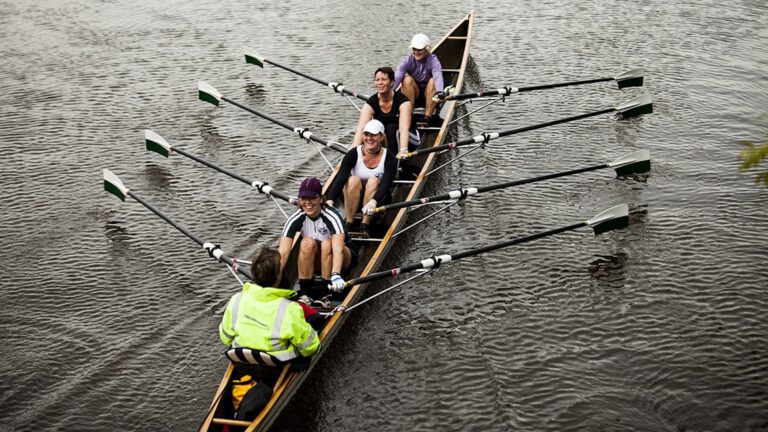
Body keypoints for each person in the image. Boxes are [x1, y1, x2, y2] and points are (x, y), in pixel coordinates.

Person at [219, 246, 320, 420]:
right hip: (275, 368)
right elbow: (310, 348)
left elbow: (225, 337)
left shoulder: (236, 299)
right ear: (278, 277)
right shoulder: (290, 309)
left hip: (243, 363)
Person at [279, 177, 357, 302]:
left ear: (320, 199)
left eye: (312, 198)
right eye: (304, 198)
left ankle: (329, 293)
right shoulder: (296, 218)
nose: (308, 202)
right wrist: (273, 281)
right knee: (305, 243)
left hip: (344, 259)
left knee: (327, 244)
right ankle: (305, 294)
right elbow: (283, 253)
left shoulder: (332, 216)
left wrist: (336, 274)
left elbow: (338, 250)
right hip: (319, 259)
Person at [326, 119, 397, 237]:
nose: (369, 138)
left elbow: (386, 183)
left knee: (373, 181)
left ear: (381, 137)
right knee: (353, 179)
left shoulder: (389, 158)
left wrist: (373, 202)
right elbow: (341, 178)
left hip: (377, 200)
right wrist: (330, 200)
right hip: (353, 197)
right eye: (366, 134)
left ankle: (365, 224)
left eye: (373, 135)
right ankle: (348, 222)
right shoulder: (353, 154)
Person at [351, 66, 419, 159]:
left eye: (384, 79)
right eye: (377, 80)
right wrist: (352, 152)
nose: (380, 83)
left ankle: (394, 162)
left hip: (410, 138)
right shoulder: (371, 103)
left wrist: (403, 149)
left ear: (391, 82)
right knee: (368, 133)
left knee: (391, 128)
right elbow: (361, 130)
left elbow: (404, 129)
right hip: (389, 139)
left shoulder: (403, 102)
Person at [393, 33, 445, 122]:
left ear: (427, 49)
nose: (416, 52)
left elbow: (438, 77)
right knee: (406, 80)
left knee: (433, 81)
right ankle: (409, 115)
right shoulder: (408, 60)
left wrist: (440, 91)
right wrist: (390, 91)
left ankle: (427, 117)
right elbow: (398, 75)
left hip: (430, 96)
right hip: (413, 94)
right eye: (414, 49)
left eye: (419, 49)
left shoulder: (433, 61)